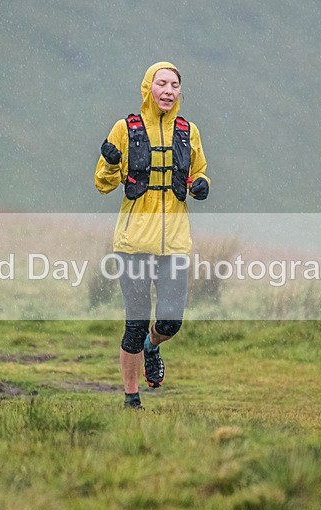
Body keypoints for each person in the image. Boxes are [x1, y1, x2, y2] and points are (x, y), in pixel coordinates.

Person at [94, 61, 210, 409]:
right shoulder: (124, 129)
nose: (168, 90)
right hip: (132, 244)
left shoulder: (189, 131)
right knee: (135, 322)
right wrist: (112, 162)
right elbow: (103, 184)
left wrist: (202, 185)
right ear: (148, 88)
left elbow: (199, 171)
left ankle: (152, 346)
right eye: (161, 83)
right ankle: (132, 398)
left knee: (171, 321)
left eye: (174, 85)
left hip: (174, 244)